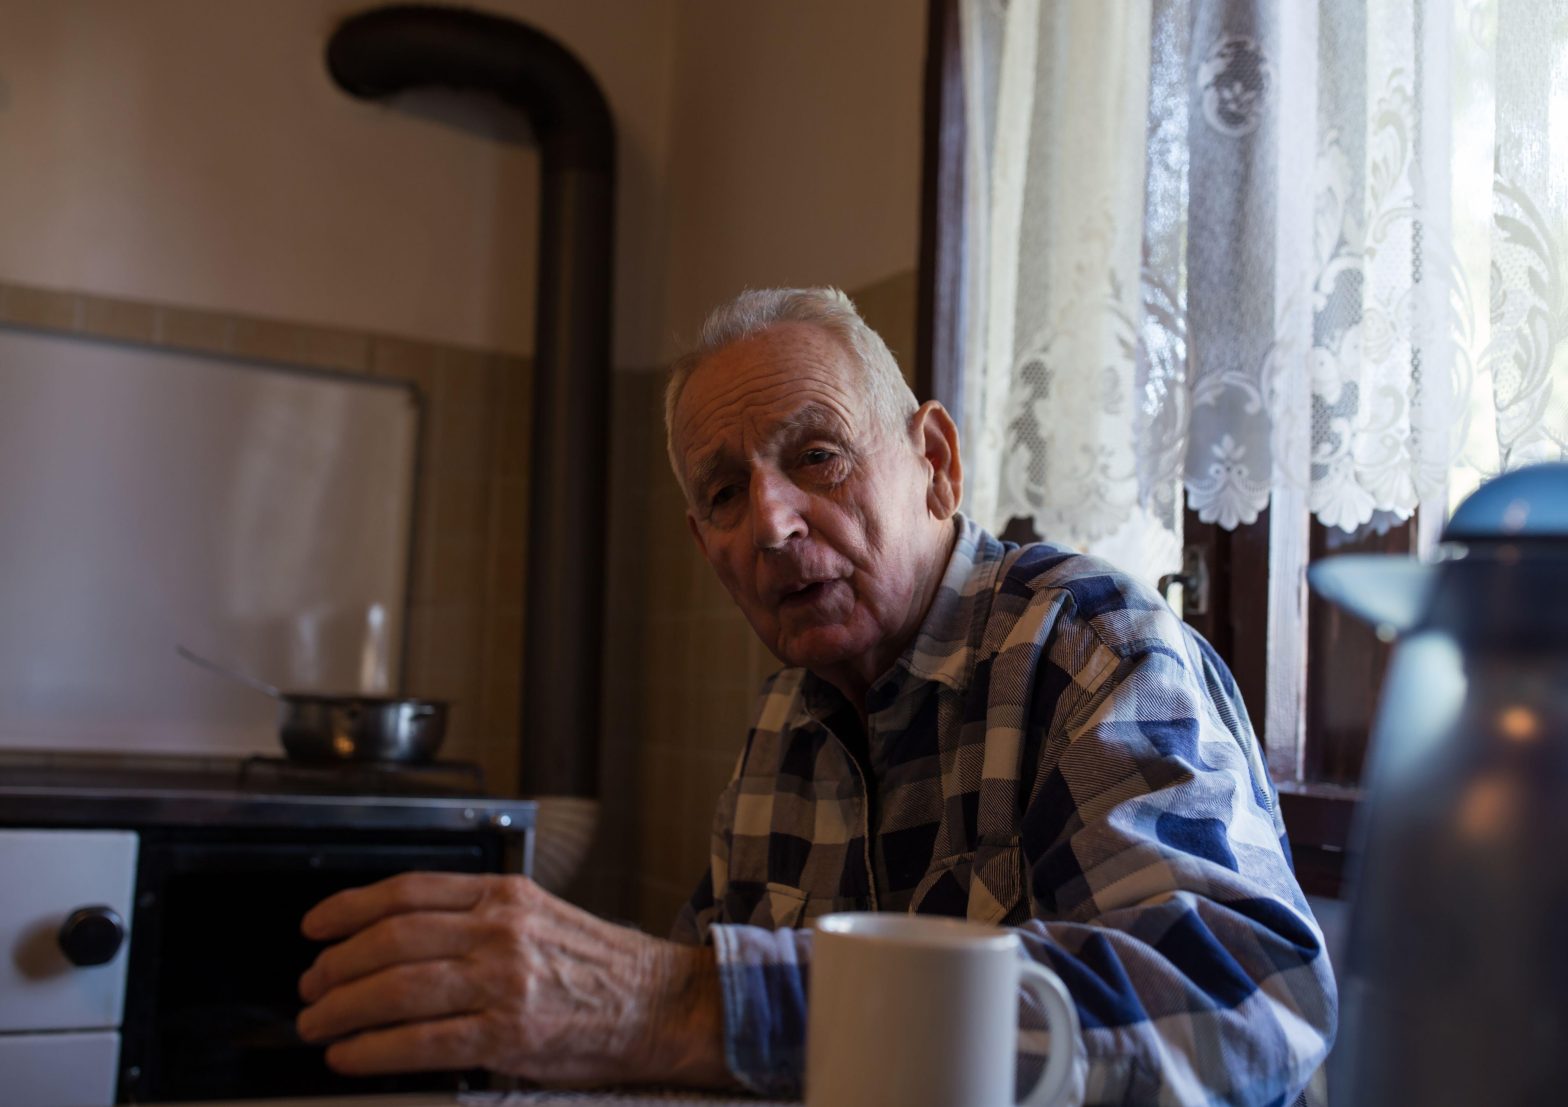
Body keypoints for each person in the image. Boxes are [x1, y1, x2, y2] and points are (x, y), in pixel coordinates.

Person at [296, 288, 1337, 1105]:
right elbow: (703, 1038)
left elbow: (1247, 997)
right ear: (709, 553)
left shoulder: (1094, 649)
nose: (772, 524)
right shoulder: (781, 729)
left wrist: (688, 1001)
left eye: (816, 456)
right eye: (722, 494)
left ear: (933, 464)